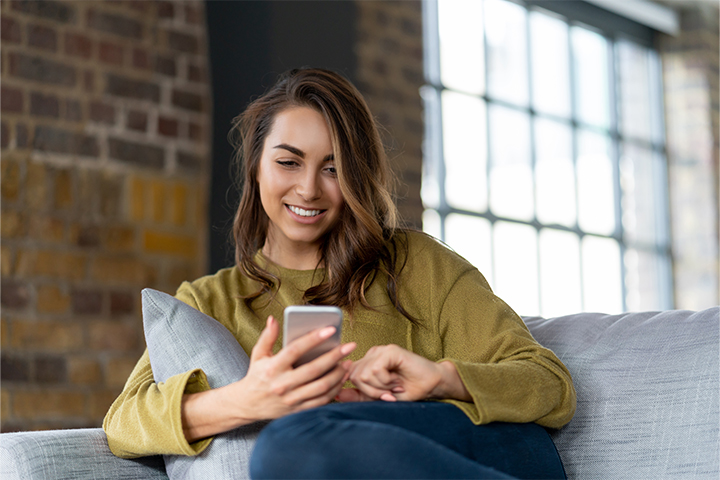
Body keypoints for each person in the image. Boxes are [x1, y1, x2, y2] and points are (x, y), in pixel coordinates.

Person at [104, 68, 576, 479]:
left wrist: (440, 378)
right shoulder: (209, 301)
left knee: (288, 446)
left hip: (473, 452)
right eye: (288, 162)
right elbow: (122, 422)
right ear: (256, 168)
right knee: (291, 446)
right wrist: (249, 400)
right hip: (319, 458)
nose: (308, 189)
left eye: (333, 168)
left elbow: (549, 384)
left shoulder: (415, 264)